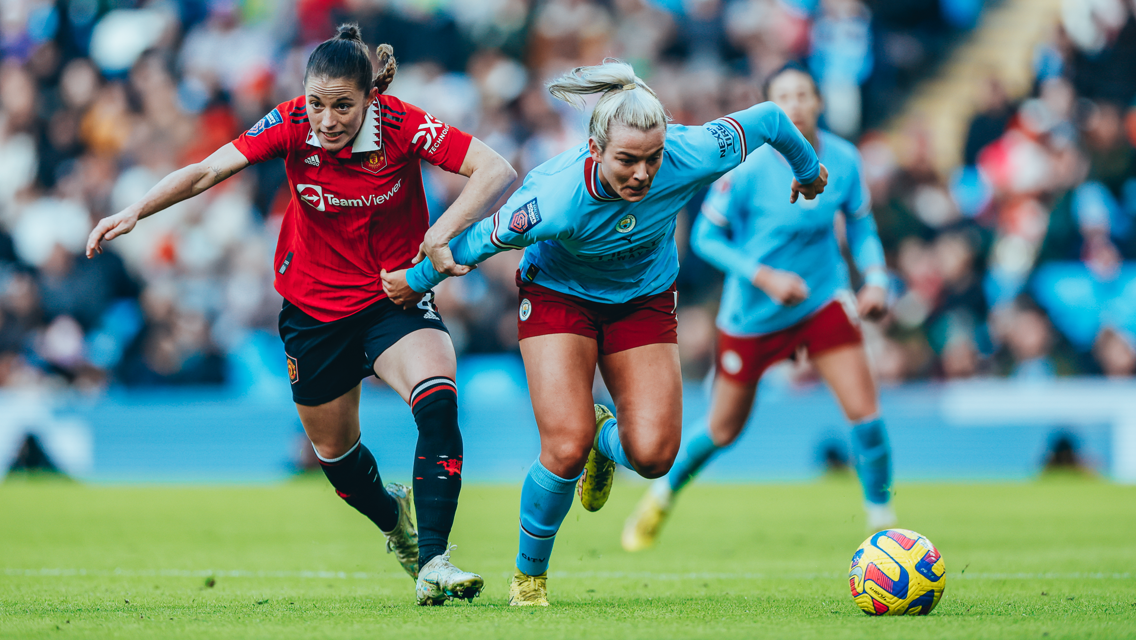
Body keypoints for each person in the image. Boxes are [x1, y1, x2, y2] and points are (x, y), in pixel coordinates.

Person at [85, 24, 517, 606]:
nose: (328, 119)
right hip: (313, 310)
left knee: (438, 399)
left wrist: (440, 233)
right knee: (336, 457)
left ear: (371, 99)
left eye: (343, 105)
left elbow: (495, 169)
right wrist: (137, 209)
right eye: (318, 104)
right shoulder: (290, 123)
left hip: (394, 298)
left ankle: (435, 560)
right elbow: (210, 169)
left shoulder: (403, 126)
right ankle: (396, 524)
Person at [382, 59, 828, 606]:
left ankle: (604, 436)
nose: (643, 174)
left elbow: (771, 119)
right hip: (558, 298)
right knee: (565, 447)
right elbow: (473, 244)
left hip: (643, 300)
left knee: (655, 455)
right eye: (627, 160)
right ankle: (529, 578)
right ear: (594, 149)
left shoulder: (694, 152)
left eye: (653, 158)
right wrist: (413, 279)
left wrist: (807, 172)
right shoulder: (554, 200)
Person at [621, 62, 896, 553]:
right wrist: (762, 275)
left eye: (803, 95)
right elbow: (706, 237)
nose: (794, 105)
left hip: (822, 300)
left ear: (819, 102)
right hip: (752, 315)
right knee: (724, 430)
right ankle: (661, 495)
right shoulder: (746, 168)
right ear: (770, 107)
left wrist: (874, 280)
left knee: (867, 414)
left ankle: (884, 529)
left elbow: (861, 228)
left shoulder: (847, 162)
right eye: (783, 97)